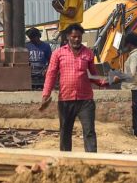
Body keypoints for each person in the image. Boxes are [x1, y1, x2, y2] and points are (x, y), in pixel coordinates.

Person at [39, 23, 107, 152]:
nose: (76, 39)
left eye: (79, 37)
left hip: (85, 101)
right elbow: (51, 74)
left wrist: (108, 81)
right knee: (65, 132)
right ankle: (65, 161)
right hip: (66, 100)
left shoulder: (88, 53)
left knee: (89, 132)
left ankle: (91, 161)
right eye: (74, 37)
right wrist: (46, 94)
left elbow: (93, 76)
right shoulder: (58, 54)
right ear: (67, 37)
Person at [111, 32, 137, 139]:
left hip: (132, 90)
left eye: (126, 45)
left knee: (133, 114)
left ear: (130, 45)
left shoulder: (134, 57)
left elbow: (130, 73)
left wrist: (118, 78)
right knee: (136, 114)